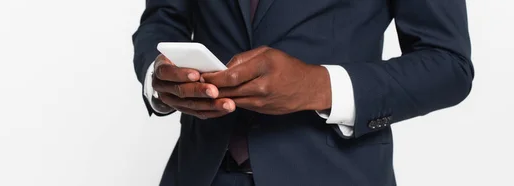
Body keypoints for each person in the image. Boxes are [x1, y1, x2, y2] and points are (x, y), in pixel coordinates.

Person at [132, 0, 473, 185]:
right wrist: (158, 77)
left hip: (335, 172)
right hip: (200, 171)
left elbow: (447, 64)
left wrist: (318, 85)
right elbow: (162, 18)